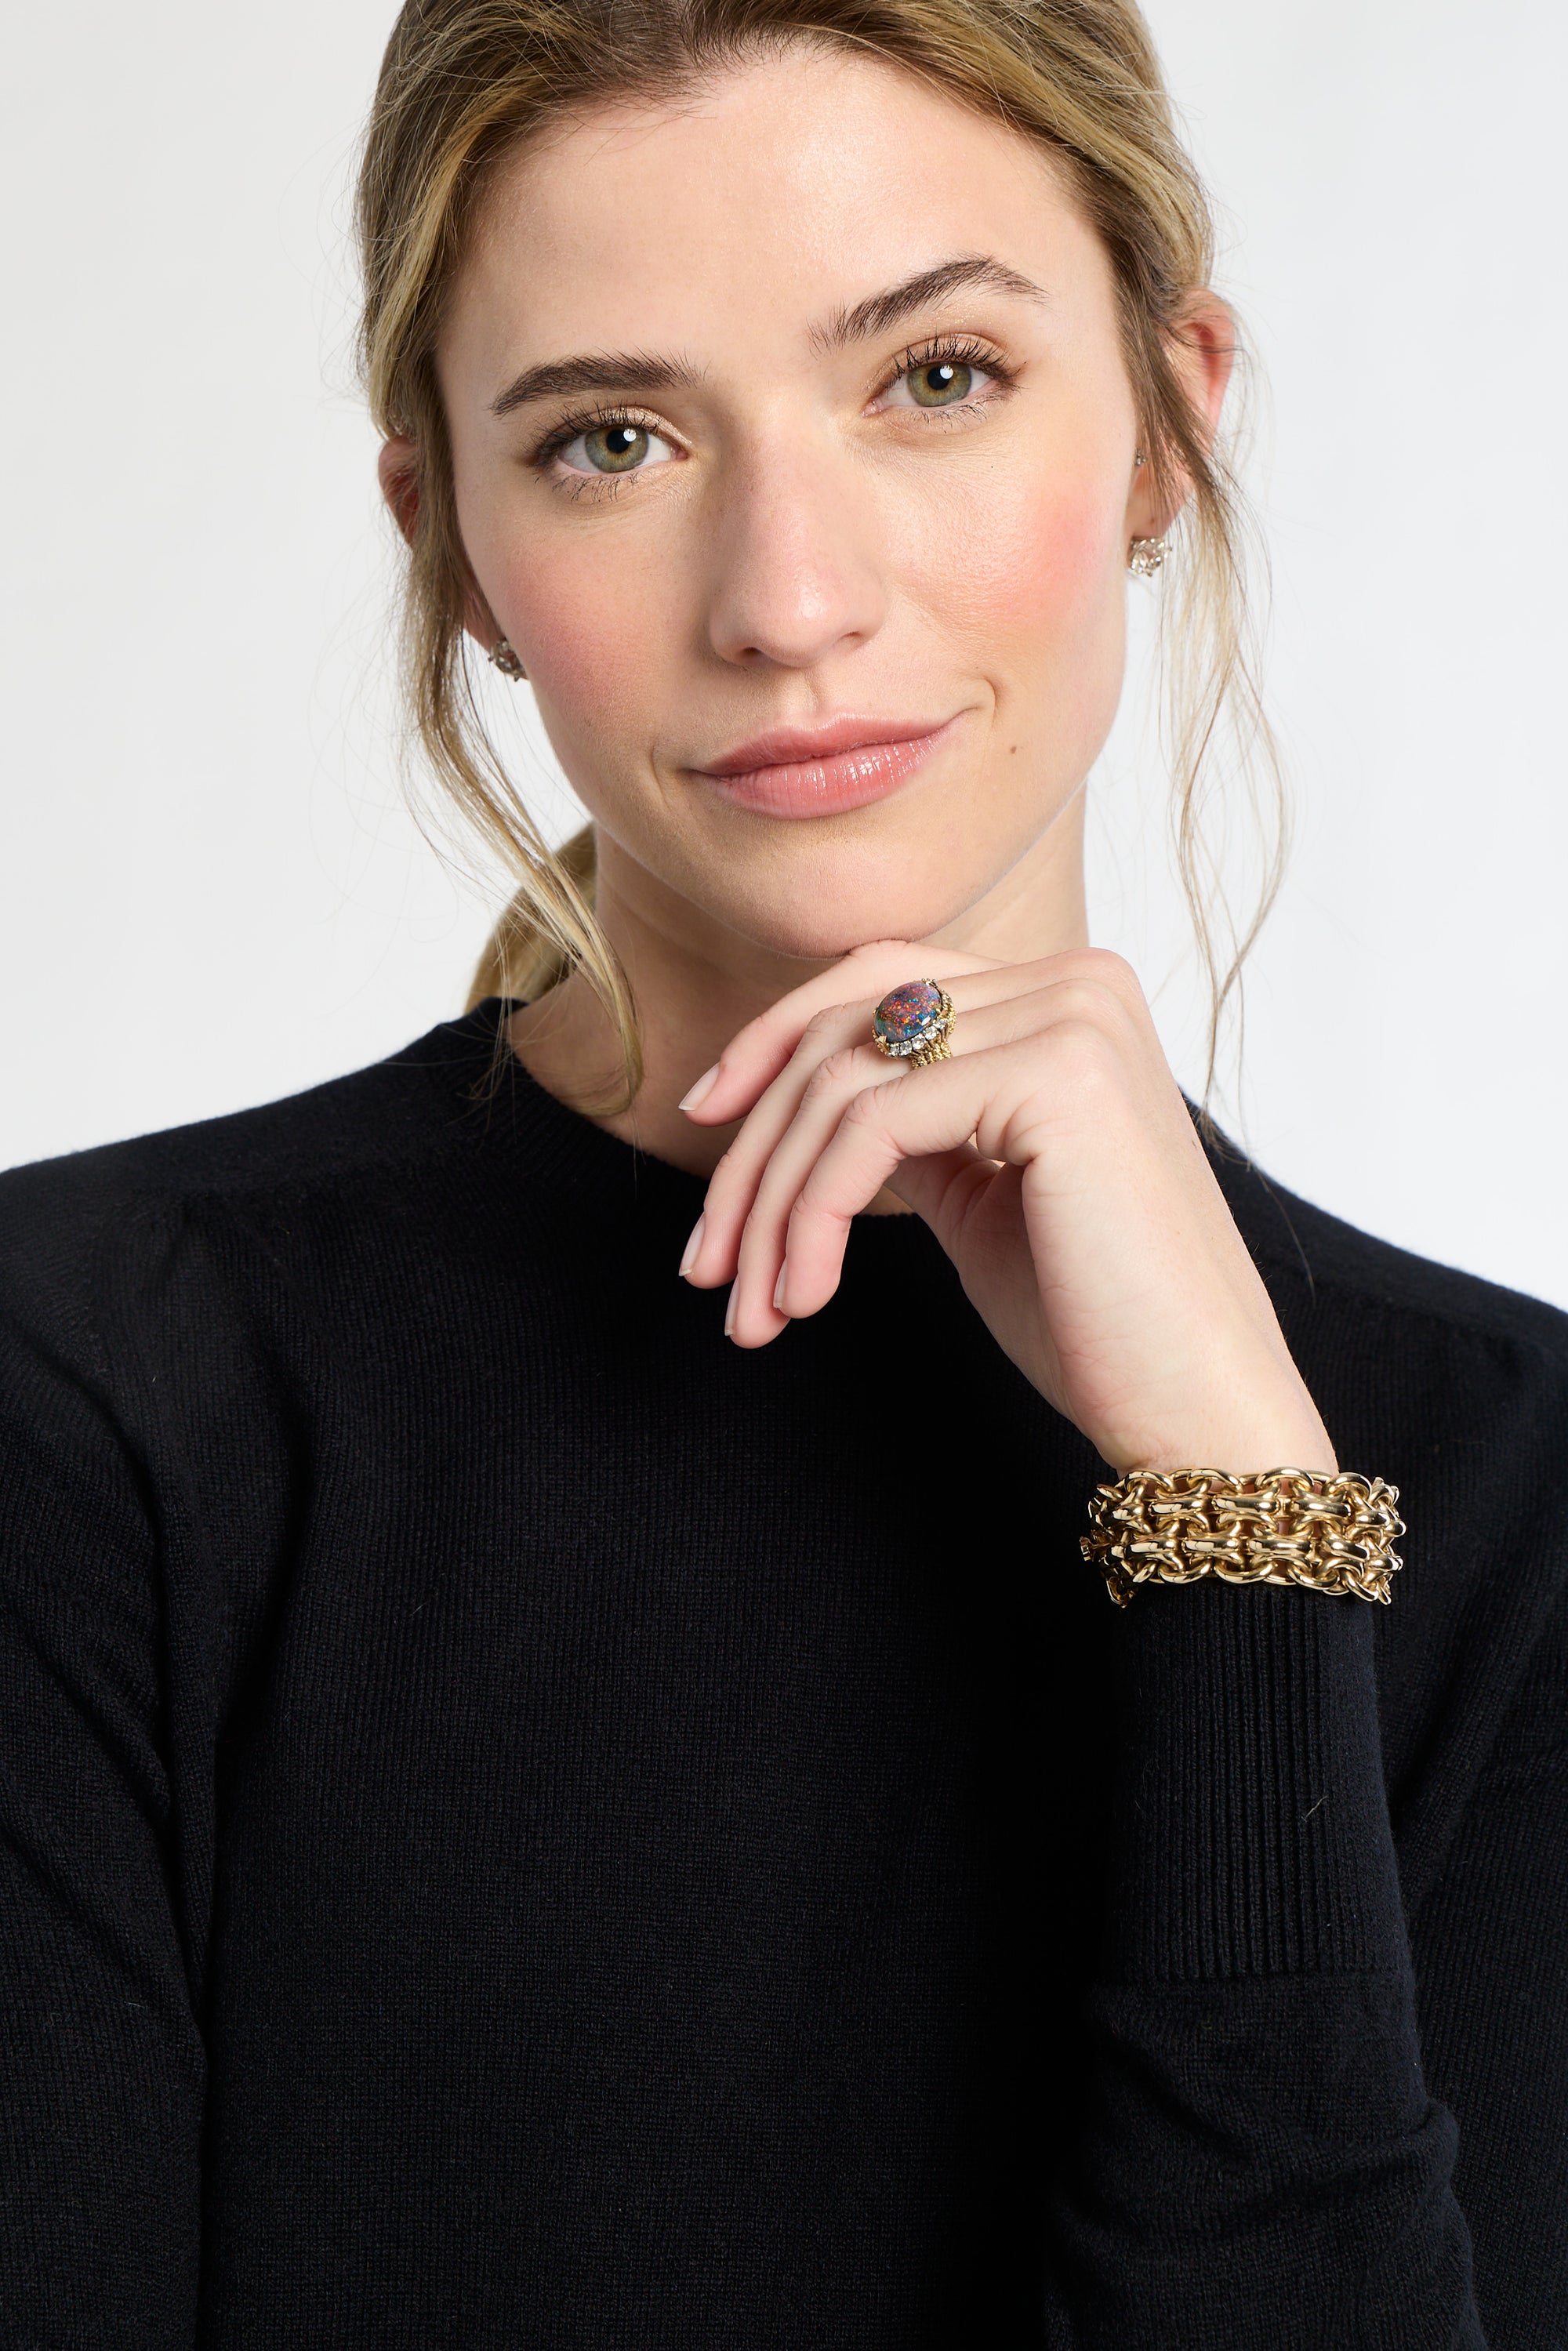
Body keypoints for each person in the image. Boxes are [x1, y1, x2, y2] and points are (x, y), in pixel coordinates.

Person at [2, 0, 1563, 2342]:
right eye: (613, 437)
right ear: (444, 537)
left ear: (1172, 413)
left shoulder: (1516, 1495)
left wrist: (1253, 1545)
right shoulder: (88, 1395)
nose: (790, 599)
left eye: (933, 377)